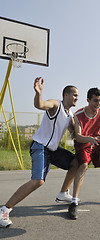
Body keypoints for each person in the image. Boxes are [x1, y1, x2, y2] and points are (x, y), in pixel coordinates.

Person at [0, 77, 79, 228]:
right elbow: (40, 105)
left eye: (78, 96)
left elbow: (75, 133)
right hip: (40, 146)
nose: (76, 98)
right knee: (38, 181)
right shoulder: (56, 104)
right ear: (66, 95)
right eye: (74, 95)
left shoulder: (70, 115)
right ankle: (5, 209)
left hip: (53, 150)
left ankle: (63, 194)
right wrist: (38, 93)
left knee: (75, 162)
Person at [68, 87, 100, 220]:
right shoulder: (78, 115)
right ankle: (74, 202)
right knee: (83, 166)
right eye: (96, 101)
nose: (98, 104)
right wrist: (89, 139)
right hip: (83, 142)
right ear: (88, 100)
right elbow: (77, 136)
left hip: (97, 140)